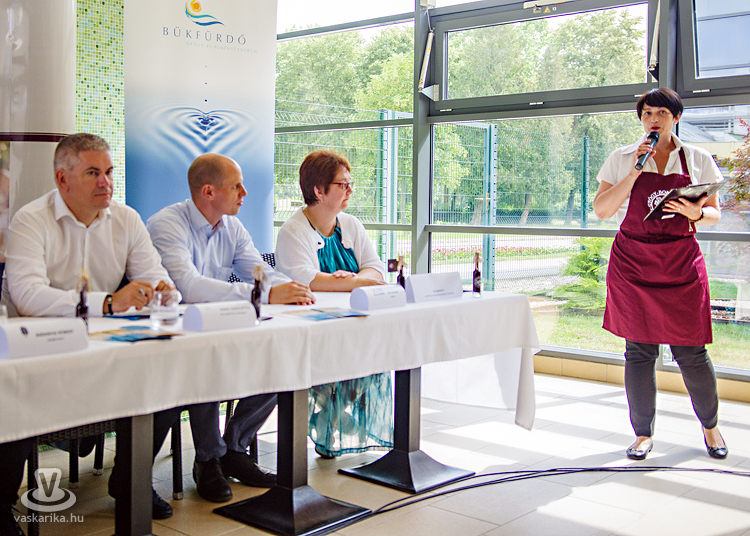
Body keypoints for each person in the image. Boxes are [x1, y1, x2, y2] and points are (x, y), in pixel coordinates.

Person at [0, 134, 181, 534]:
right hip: (37, 346)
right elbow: (27, 296)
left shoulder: (127, 219)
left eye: (110, 172)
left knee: (167, 373)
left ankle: (130, 479)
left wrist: (164, 293)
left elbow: (158, 277)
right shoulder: (31, 219)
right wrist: (109, 302)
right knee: (9, 393)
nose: (106, 182)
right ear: (62, 179)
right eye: (93, 173)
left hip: (102, 341)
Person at [146, 153, 315, 502]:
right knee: (206, 361)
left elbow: (259, 271)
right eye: (237, 186)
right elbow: (187, 287)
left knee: (279, 356)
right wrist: (262, 293)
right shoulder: (166, 224)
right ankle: (208, 460)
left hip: (220, 326)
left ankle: (234, 449)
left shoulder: (232, 226)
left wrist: (291, 289)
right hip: (172, 335)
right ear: (209, 191)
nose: (245, 193)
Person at [593, 88, 728, 461]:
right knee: (638, 352)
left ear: (676, 117)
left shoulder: (698, 158)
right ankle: (642, 435)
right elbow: (603, 210)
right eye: (647, 113)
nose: (653, 119)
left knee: (692, 351)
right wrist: (635, 171)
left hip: (681, 261)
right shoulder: (622, 158)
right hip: (633, 262)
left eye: (662, 113)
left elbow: (715, 212)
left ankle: (711, 427)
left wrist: (696, 213)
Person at [275, 149, 393, 458]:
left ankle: (329, 415)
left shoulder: (351, 224)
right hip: (312, 327)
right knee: (355, 352)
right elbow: (308, 280)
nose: (350, 190)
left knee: (379, 351)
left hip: (353, 321)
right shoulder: (293, 231)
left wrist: (352, 279)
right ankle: (329, 415)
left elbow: (375, 269)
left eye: (350, 183)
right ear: (318, 191)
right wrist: (356, 281)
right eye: (343, 184)